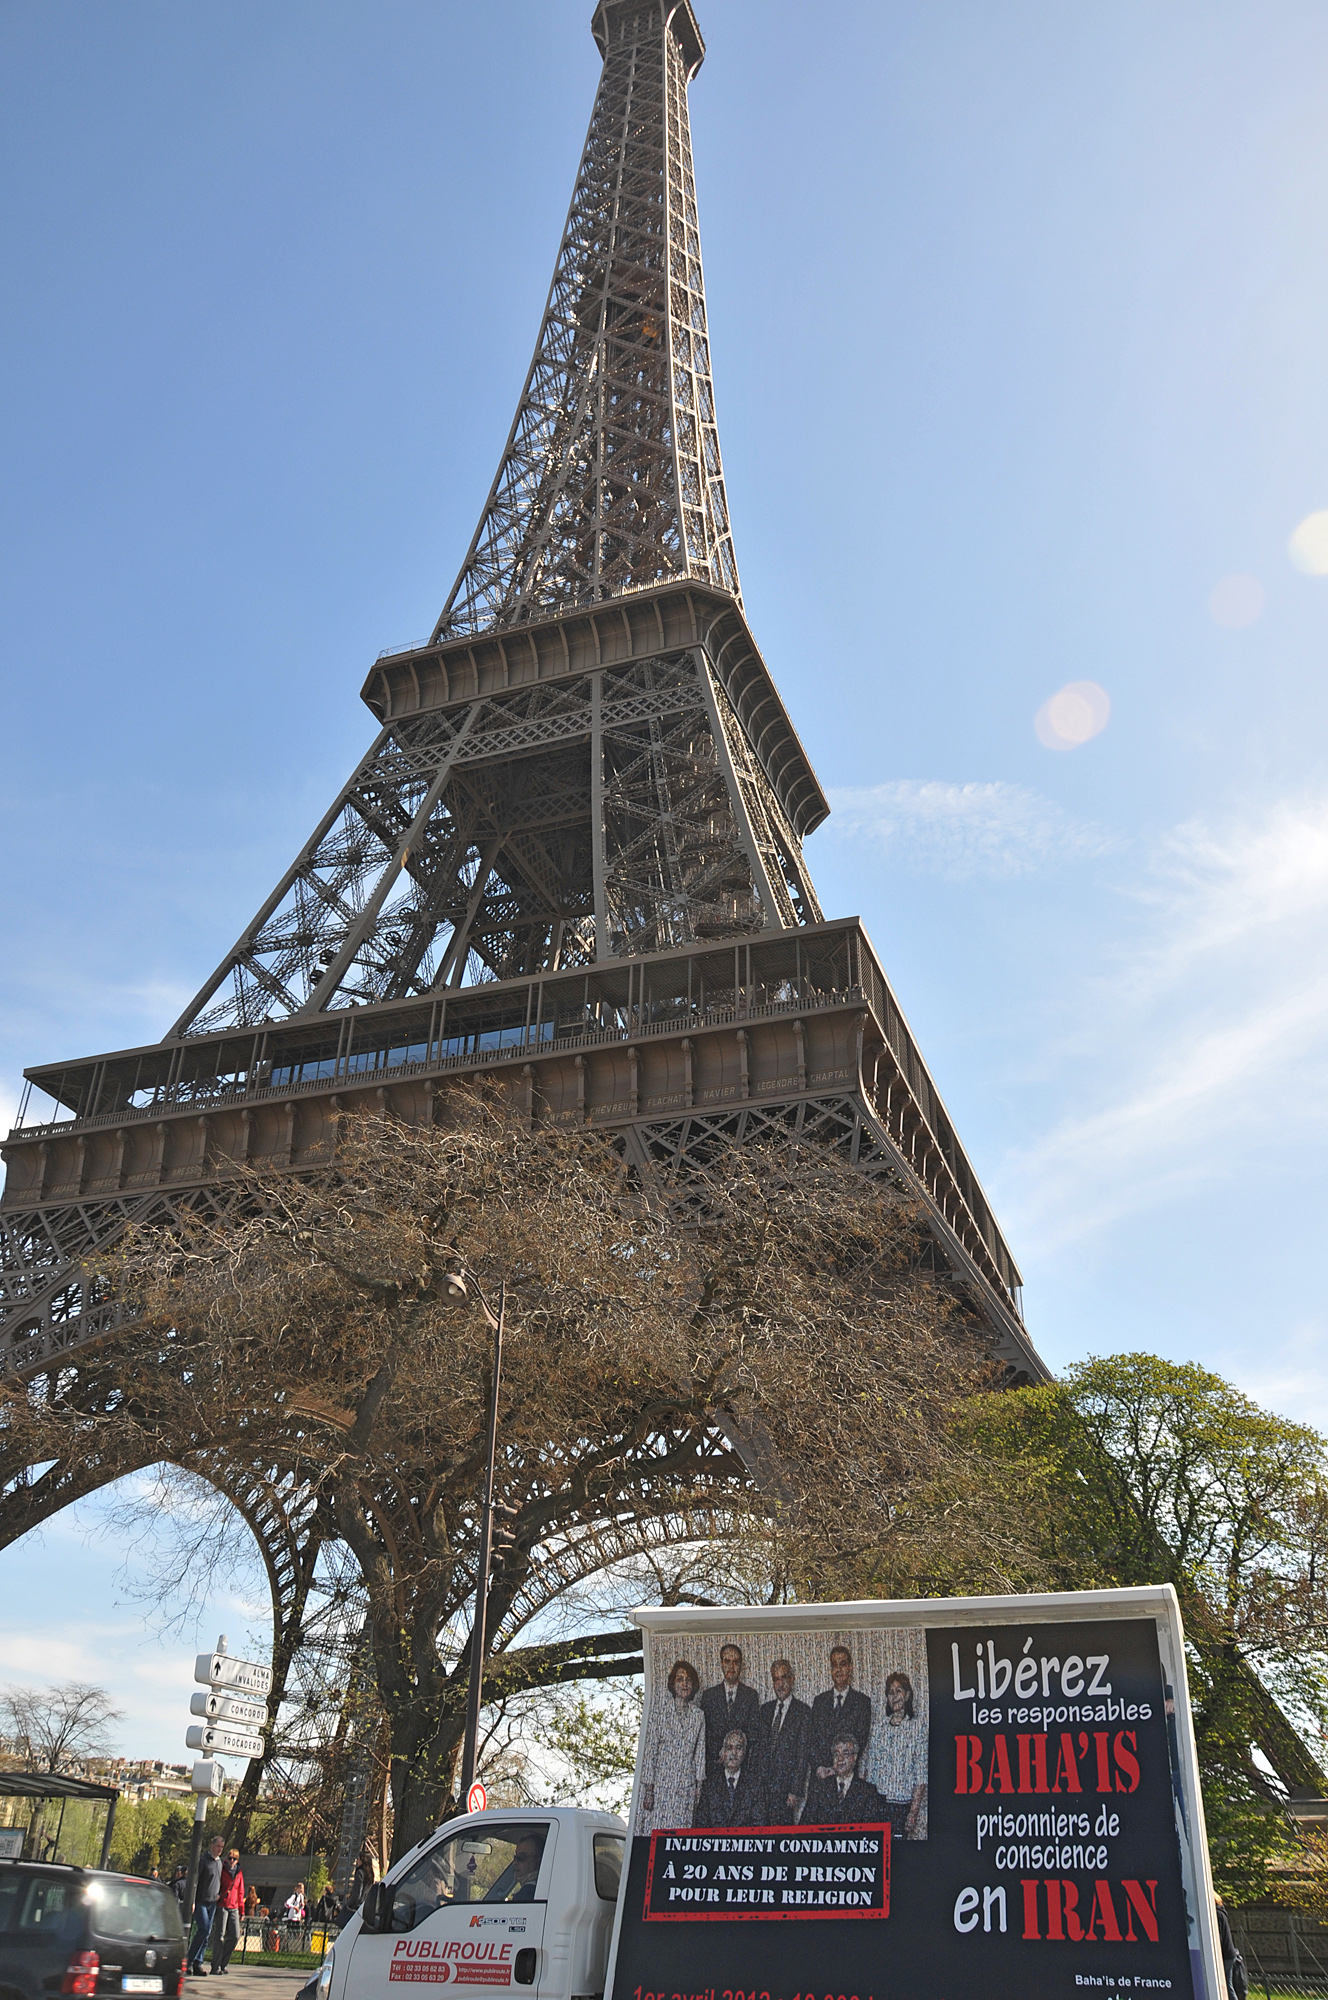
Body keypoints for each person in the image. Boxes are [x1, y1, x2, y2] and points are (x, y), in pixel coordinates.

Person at [638, 1660, 706, 1836]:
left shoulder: (698, 1715)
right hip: (662, 1785)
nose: (685, 1684)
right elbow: (650, 1751)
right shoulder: (660, 1712)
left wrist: (698, 1786)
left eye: (689, 1680)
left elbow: (699, 1752)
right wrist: (649, 1790)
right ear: (673, 1683)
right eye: (680, 1679)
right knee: (658, 1833)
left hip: (686, 1786)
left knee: (680, 1836)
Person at [866, 1671, 927, 1840]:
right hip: (878, 1804)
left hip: (902, 1806)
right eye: (890, 1693)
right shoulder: (879, 1729)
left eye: (899, 1691)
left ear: (907, 1695)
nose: (895, 1696)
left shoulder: (917, 1728)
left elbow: (921, 1776)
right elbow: (871, 1771)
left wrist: (913, 1814)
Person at [757, 1659, 813, 1824]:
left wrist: (795, 1791)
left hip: (785, 1791)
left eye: (784, 1677)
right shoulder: (765, 1710)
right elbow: (759, 1749)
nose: (780, 1684)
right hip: (762, 1789)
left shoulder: (803, 1712)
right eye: (776, 1679)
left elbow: (803, 1755)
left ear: (792, 1679)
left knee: (782, 1837)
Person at [810, 1647, 872, 1780]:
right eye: (834, 1665)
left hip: (847, 1779)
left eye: (842, 1664)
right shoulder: (819, 1701)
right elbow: (812, 1740)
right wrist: (819, 1767)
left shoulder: (862, 1702)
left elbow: (860, 1742)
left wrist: (836, 1769)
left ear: (850, 1667)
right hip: (821, 1778)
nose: (838, 1670)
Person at [699, 1645, 762, 1776]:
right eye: (727, 1661)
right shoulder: (709, 1696)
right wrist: (720, 1752)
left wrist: (737, 1756)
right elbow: (705, 1733)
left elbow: (753, 1733)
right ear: (721, 1663)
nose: (731, 1667)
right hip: (715, 1766)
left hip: (742, 1770)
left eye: (736, 1662)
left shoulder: (750, 1696)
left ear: (741, 1665)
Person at [803, 1734, 883, 1827]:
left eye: (845, 1754)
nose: (840, 1759)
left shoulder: (868, 1792)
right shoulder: (819, 1789)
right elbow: (804, 1827)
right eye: (836, 1754)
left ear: (855, 1757)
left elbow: (873, 1832)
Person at [696, 1730, 767, 1828]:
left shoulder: (755, 1785)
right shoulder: (710, 1784)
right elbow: (701, 1823)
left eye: (738, 1748)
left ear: (744, 1752)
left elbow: (759, 1824)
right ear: (723, 1752)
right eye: (729, 1748)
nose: (734, 1753)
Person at [188, 1837, 224, 1977]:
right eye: (217, 1846)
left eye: (222, 1847)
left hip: (212, 1902)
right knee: (202, 1928)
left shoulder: (219, 1863)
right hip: (201, 1901)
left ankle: (198, 1962)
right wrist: (192, 1900)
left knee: (207, 1933)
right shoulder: (204, 1860)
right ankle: (189, 1960)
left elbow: (220, 1881)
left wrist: (219, 1894)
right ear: (212, 1845)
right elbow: (195, 1881)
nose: (219, 1849)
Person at [210, 1849, 246, 1975]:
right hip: (223, 1905)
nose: (232, 1861)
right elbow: (216, 1884)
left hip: (234, 1907)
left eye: (234, 1859)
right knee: (219, 1936)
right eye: (230, 1858)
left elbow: (241, 1892)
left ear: (237, 1861)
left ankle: (223, 1962)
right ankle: (215, 1966)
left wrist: (242, 1911)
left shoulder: (239, 1874)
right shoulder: (222, 1869)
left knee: (235, 1935)